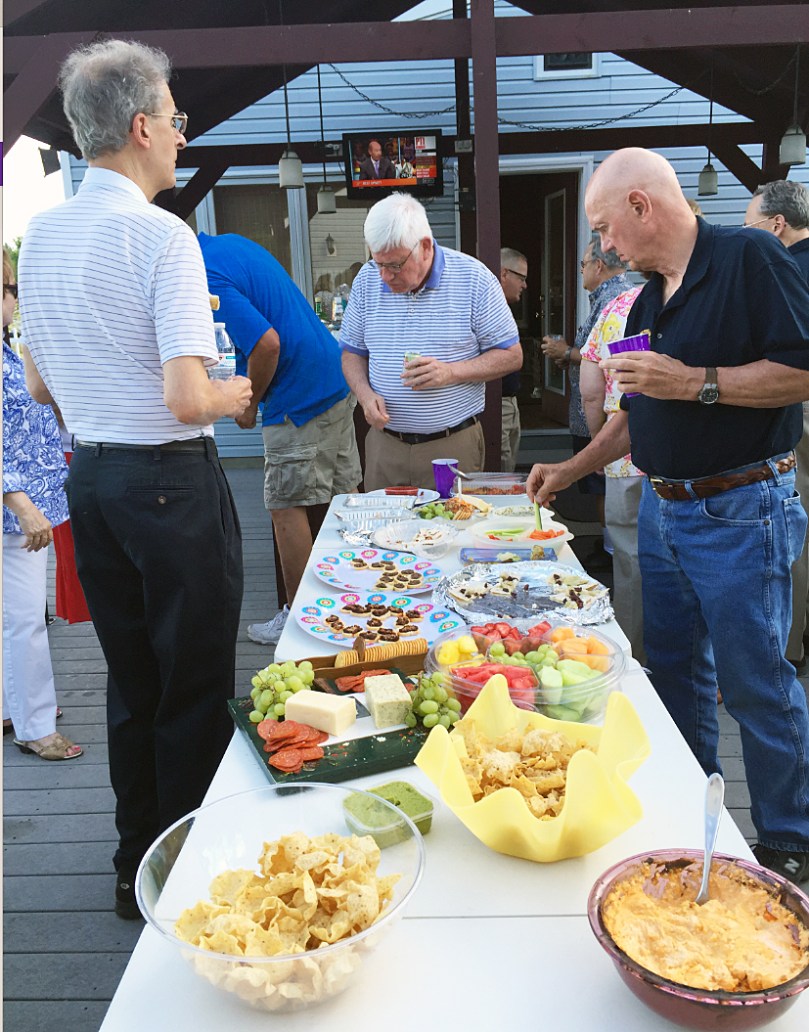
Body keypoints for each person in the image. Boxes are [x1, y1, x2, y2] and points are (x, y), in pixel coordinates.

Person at [527, 147, 809, 884]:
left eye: (603, 229)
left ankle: (791, 840)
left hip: (742, 506)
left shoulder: (748, 256)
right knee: (674, 673)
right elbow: (632, 413)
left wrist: (694, 383)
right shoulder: (646, 300)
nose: (602, 246)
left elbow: (800, 368)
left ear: (639, 207)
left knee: (754, 683)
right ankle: (691, 820)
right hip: (663, 508)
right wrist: (570, 469)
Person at [18, 39, 252, 919]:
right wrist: (231, 395)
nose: (183, 140)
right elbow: (188, 396)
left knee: (130, 681)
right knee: (192, 688)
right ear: (142, 125)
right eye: (179, 122)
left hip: (95, 483)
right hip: (170, 484)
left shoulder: (40, 236)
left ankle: (134, 866)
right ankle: (188, 880)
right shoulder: (163, 236)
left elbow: (41, 385)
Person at [198, 232, 362, 645]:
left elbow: (266, 344)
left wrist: (248, 404)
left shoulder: (203, 274)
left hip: (298, 395)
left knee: (286, 508)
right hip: (332, 375)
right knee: (343, 500)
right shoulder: (229, 245)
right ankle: (356, 601)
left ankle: (301, 621)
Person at [340, 193, 522, 490]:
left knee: (452, 533)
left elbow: (512, 355)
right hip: (385, 445)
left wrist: (450, 372)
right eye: (378, 263)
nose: (385, 276)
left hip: (452, 445)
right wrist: (364, 394)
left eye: (395, 265)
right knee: (382, 534)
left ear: (424, 246)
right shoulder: (366, 279)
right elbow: (351, 353)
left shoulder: (474, 279)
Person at [2, 249, 83, 762]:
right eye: (8, 290)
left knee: (14, 616)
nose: (13, 300)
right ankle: (33, 723)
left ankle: (15, 704)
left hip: (29, 501)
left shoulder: (11, 350)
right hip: (16, 509)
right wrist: (19, 501)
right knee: (26, 618)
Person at [744, 180, 809, 672]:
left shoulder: (782, 268)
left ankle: (784, 649)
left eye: (751, 228)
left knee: (791, 528)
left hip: (796, 409)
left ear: (776, 224)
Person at [541, 235, 631, 564]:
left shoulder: (615, 299)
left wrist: (566, 351)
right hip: (607, 417)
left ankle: (612, 553)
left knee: (602, 483)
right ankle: (611, 548)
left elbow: (602, 363)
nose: (581, 272)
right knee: (600, 485)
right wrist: (568, 355)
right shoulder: (608, 297)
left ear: (598, 265)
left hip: (608, 419)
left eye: (582, 265)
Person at [579, 280, 645, 661]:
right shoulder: (700, 295)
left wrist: (598, 444)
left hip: (624, 457)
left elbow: (590, 389)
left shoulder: (617, 306)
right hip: (687, 461)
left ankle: (633, 655)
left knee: (630, 560)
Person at [499, 247, 528, 471]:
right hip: (497, 405)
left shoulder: (504, 309)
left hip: (511, 402)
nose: (524, 285)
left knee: (509, 466)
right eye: (521, 278)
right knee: (501, 471)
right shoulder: (488, 309)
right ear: (504, 273)